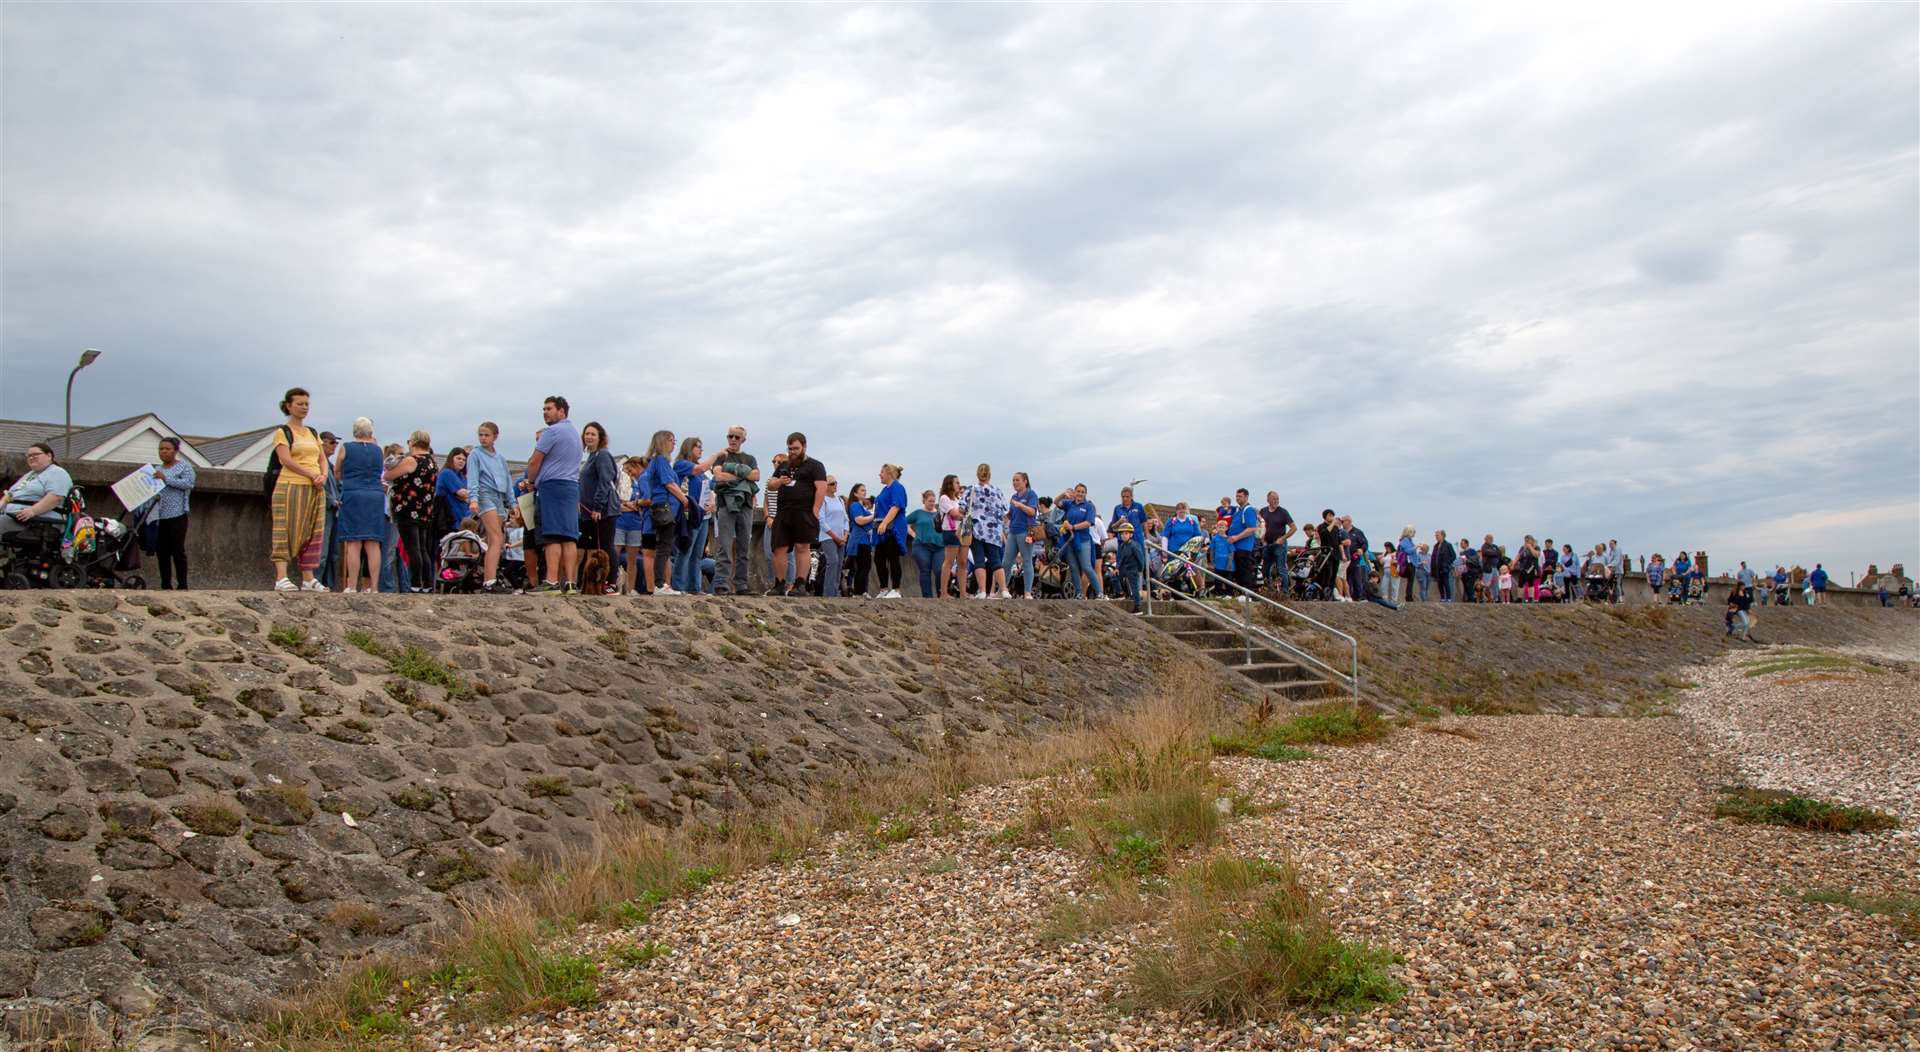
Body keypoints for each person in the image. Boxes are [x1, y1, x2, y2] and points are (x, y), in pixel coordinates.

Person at [520, 396, 583, 594]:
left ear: (561, 411)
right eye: (544, 409)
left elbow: (534, 461)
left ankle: (552, 581)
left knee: (552, 535)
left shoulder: (552, 432)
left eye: (549, 408)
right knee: (569, 536)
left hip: (552, 486)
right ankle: (570, 583)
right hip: (571, 486)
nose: (545, 412)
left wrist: (530, 482)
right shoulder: (574, 434)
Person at [268, 388, 329, 592]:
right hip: (291, 485)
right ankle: (281, 577)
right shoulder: (282, 432)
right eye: (300, 404)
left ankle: (308, 577)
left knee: (313, 531)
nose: (304, 407)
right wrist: (312, 475)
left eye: (306, 404)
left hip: (314, 486)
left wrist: (323, 475)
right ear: (288, 406)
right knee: (285, 528)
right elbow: (285, 459)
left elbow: (322, 458)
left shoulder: (312, 432)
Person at [333, 418, 387, 593]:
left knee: (353, 542)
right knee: (373, 542)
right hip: (375, 495)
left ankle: (351, 585)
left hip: (354, 494)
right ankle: (374, 587)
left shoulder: (346, 448)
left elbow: (337, 471)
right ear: (371, 432)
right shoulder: (378, 450)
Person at [768, 432, 826, 597]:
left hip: (805, 512)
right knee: (779, 548)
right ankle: (779, 584)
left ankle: (800, 584)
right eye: (790, 448)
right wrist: (780, 481)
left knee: (802, 547)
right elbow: (771, 485)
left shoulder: (815, 465)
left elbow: (821, 487)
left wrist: (816, 508)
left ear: (804, 446)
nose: (793, 452)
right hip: (784, 512)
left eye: (796, 448)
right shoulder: (784, 466)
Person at [709, 426, 760, 596]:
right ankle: (721, 584)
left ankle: (741, 585)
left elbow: (756, 476)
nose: (733, 439)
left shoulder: (750, 458)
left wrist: (731, 473)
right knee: (724, 546)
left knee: (743, 547)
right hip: (725, 505)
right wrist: (743, 476)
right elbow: (718, 477)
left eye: (737, 437)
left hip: (745, 506)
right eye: (730, 436)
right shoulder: (721, 457)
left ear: (743, 440)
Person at [463, 423, 514, 593]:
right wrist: (474, 498)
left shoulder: (500, 458)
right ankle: (489, 580)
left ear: (495, 437)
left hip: (498, 497)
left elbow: (507, 481)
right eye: (481, 435)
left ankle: (490, 577)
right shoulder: (475, 455)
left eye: (486, 435)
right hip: (485, 495)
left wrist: (513, 503)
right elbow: (473, 478)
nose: (483, 438)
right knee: (496, 536)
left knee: (496, 541)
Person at [639, 430, 689, 596]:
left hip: (662, 508)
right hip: (664, 508)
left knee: (663, 547)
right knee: (664, 546)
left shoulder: (655, 461)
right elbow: (669, 483)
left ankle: (660, 584)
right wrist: (684, 499)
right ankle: (660, 584)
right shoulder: (661, 460)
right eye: (671, 440)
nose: (674, 443)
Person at [388, 431, 439, 593]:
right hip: (425, 510)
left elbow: (388, 475)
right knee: (422, 548)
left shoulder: (411, 460)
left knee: (413, 548)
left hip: (408, 508)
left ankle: (416, 583)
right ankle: (427, 583)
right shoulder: (432, 462)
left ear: (414, 442)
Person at [671, 437, 720, 595]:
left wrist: (712, 503)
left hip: (703, 517)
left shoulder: (702, 474)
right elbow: (701, 468)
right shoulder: (682, 464)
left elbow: (709, 488)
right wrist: (716, 456)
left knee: (697, 555)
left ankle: (694, 588)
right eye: (697, 447)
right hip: (689, 516)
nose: (700, 450)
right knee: (685, 551)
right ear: (688, 448)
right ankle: (679, 586)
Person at [1, 442, 73, 545]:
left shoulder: (57, 472)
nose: (31, 457)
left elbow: (56, 497)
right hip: (15, 518)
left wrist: (33, 511)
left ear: (49, 456)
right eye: (29, 456)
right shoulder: (30, 475)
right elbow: (10, 495)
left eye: (35, 454)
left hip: (39, 522)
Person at [149, 436, 196, 590]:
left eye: (167, 449)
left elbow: (188, 484)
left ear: (175, 451)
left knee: (177, 550)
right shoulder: (156, 469)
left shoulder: (184, 467)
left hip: (177, 514)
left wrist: (166, 479)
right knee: (161, 551)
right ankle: (165, 584)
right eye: (161, 449)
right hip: (159, 514)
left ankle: (183, 584)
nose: (164, 452)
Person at [577, 422, 619, 589]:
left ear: (600, 437)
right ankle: (594, 583)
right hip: (587, 511)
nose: (589, 437)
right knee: (595, 548)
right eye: (587, 433)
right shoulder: (591, 457)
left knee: (606, 546)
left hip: (603, 510)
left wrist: (597, 507)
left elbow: (605, 482)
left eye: (593, 434)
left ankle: (612, 582)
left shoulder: (602, 455)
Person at [967, 464, 1010, 599]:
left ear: (977, 474)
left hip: (976, 530)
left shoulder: (971, 490)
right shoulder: (997, 491)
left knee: (979, 561)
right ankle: (1004, 590)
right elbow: (1005, 510)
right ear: (990, 474)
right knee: (996, 561)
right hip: (993, 531)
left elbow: (962, 508)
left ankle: (982, 591)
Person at [872, 464, 909, 599]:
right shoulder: (884, 490)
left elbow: (896, 507)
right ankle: (883, 589)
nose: (879, 475)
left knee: (893, 557)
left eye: (882, 472)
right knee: (879, 558)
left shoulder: (897, 487)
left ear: (889, 474)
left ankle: (896, 589)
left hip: (893, 527)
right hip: (881, 527)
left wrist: (885, 522)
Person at [614, 456, 649, 596]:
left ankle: (630, 589)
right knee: (614, 556)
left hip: (635, 525)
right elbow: (617, 505)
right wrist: (632, 505)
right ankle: (613, 585)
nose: (628, 472)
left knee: (632, 559)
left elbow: (643, 504)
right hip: (619, 523)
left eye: (630, 469)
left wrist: (631, 505)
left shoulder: (641, 484)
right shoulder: (621, 484)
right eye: (625, 469)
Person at [1059, 483, 1100, 599]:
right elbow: (1056, 502)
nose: (1080, 494)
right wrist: (1064, 493)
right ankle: (1079, 593)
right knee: (1073, 567)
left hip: (1083, 539)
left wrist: (1073, 527)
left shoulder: (1089, 506)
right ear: (1074, 492)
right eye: (1078, 491)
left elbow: (1089, 522)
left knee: (1086, 567)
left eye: (1083, 492)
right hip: (1069, 540)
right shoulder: (1069, 504)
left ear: (1085, 494)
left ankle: (1100, 593)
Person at [1004, 471, 1038, 600]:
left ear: (1025, 481)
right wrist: (1005, 516)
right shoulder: (1014, 496)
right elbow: (1011, 514)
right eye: (1013, 480)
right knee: (1006, 562)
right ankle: (1003, 589)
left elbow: (1032, 511)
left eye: (1017, 480)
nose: (1014, 483)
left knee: (1027, 561)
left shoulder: (1031, 494)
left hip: (1026, 531)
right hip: (1013, 531)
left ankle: (1027, 592)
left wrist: (1020, 505)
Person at [317, 431, 342, 590]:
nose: (335, 446)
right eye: (332, 443)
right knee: (322, 551)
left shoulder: (330, 466)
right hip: (325, 511)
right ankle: (317, 581)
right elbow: (319, 488)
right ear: (322, 443)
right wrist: (333, 501)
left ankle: (328, 584)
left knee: (333, 553)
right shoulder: (319, 464)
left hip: (334, 511)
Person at [907, 489, 943, 598]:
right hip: (921, 546)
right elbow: (903, 522)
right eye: (929, 501)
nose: (932, 503)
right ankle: (927, 597)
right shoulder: (918, 513)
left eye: (933, 501)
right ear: (924, 501)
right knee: (925, 570)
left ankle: (941, 594)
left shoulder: (939, 514)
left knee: (939, 570)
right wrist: (912, 533)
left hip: (939, 546)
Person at [817, 476, 848, 597]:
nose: (835, 485)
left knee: (839, 564)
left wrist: (845, 535)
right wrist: (835, 536)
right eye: (832, 483)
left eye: (836, 482)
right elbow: (821, 521)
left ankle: (836, 591)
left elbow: (845, 519)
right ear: (826, 486)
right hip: (827, 536)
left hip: (841, 537)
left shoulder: (839, 500)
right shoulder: (822, 500)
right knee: (833, 561)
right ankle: (828, 592)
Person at [934, 474, 965, 599]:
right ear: (950, 484)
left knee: (963, 562)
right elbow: (955, 514)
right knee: (949, 561)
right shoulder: (944, 498)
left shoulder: (957, 499)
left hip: (962, 531)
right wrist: (964, 514)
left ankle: (963, 593)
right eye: (956, 482)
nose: (959, 485)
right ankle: (943, 592)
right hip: (951, 532)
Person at [1258, 492, 1296, 591]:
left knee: (1281, 568)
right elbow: (1259, 527)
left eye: (1277, 499)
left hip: (1279, 544)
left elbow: (1293, 528)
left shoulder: (1283, 512)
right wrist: (1262, 539)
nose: (1276, 501)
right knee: (1265, 568)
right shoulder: (1263, 511)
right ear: (1268, 500)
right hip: (1267, 544)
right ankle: (1266, 589)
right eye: (1274, 499)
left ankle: (1284, 592)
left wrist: (1283, 538)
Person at [1225, 489, 1260, 591]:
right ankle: (1239, 592)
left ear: (1246, 497)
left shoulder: (1248, 510)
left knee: (1245, 570)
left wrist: (1237, 537)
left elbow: (1252, 528)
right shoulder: (1238, 511)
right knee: (1238, 571)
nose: (1237, 498)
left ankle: (1246, 593)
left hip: (1244, 546)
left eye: (1240, 496)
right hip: (1235, 546)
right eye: (1236, 496)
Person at [846, 483, 875, 597]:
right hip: (859, 540)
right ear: (855, 493)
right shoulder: (855, 506)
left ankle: (861, 590)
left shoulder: (861, 506)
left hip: (865, 540)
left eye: (865, 490)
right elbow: (859, 520)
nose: (865, 492)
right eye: (862, 490)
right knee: (863, 566)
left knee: (864, 566)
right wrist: (874, 516)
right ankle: (860, 591)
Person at [435, 447, 470, 542]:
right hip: (450, 519)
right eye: (458, 458)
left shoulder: (462, 476)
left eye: (464, 460)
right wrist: (468, 495)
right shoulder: (447, 473)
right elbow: (463, 494)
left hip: (462, 518)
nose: (461, 461)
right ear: (451, 458)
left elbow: (467, 495)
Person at [1113, 519, 1143, 612]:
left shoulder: (1135, 545)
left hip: (1133, 569)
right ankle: (1120, 593)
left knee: (1134, 589)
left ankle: (1137, 607)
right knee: (1114, 578)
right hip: (1124, 569)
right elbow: (1119, 558)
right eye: (1122, 534)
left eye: (1126, 533)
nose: (1123, 536)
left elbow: (1140, 558)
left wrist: (1140, 569)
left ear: (1131, 535)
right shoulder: (1121, 546)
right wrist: (1117, 568)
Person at [1208, 516, 1234, 593]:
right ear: (1217, 528)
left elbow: (1231, 552)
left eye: (1223, 527)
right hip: (1218, 563)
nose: (1221, 528)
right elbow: (1212, 550)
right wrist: (1212, 561)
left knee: (1228, 581)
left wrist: (1229, 563)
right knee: (1218, 580)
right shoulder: (1215, 538)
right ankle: (1218, 593)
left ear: (1226, 528)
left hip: (1228, 564)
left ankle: (1229, 594)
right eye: (1219, 527)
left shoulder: (1229, 538)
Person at [1431, 530, 1455, 602]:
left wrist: (1447, 563)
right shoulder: (1436, 546)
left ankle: (1448, 598)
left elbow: (1453, 556)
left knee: (1446, 582)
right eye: (1435, 535)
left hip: (1444, 568)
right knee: (1440, 583)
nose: (1436, 537)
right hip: (1437, 568)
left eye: (1437, 535)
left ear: (1442, 535)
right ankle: (1442, 597)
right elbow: (1433, 557)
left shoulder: (1448, 545)